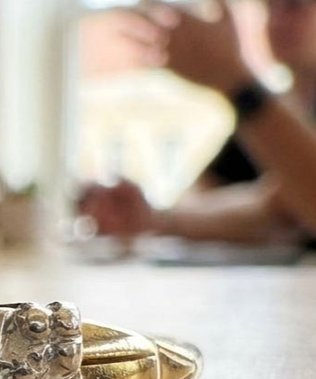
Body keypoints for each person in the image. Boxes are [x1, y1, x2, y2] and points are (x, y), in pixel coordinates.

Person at [79, 0, 316, 243]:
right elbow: (273, 211)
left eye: (294, 6)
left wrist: (236, 81)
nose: (276, 20)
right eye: (269, 8)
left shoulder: (265, 113)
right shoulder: (274, 117)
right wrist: (155, 219)